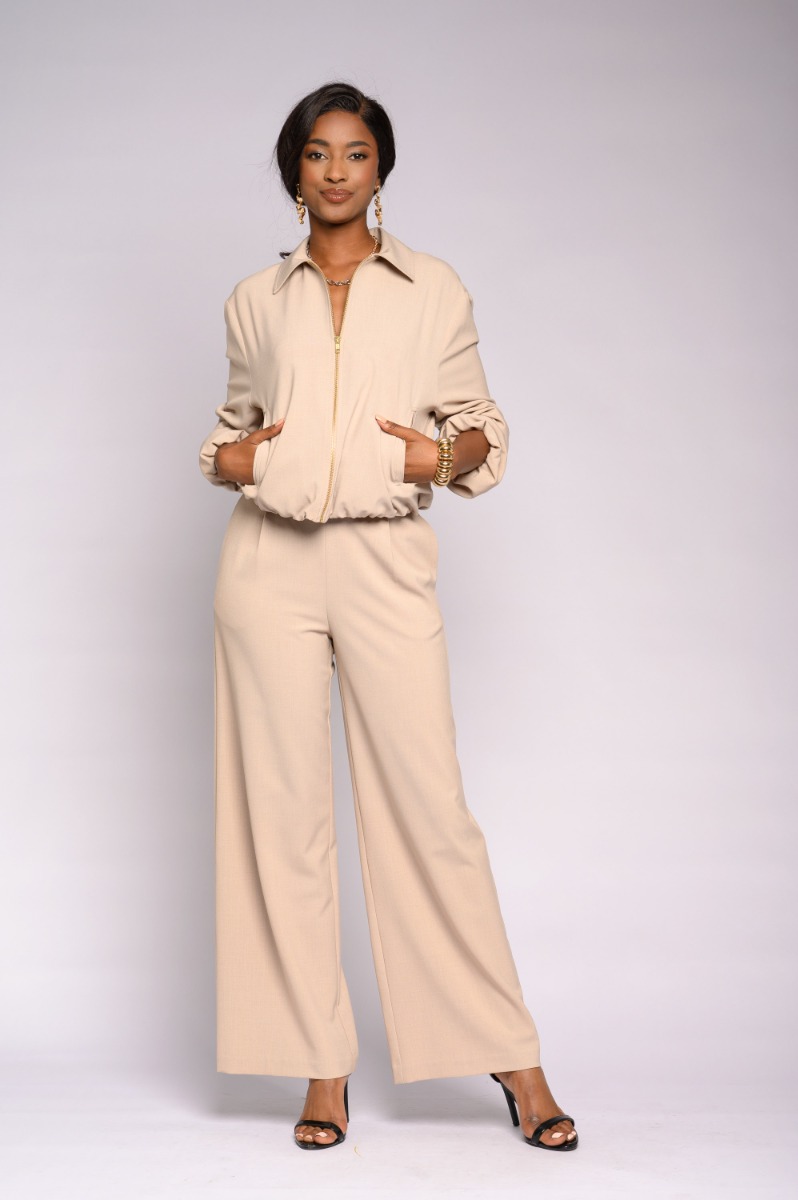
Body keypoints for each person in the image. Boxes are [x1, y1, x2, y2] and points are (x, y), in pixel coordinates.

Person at [198, 81, 579, 1153]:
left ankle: (510, 1054)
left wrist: (440, 456)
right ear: (295, 170)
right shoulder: (254, 299)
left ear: (380, 168)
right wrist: (232, 461)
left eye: (355, 153)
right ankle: (321, 1066)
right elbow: (232, 431)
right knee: (283, 819)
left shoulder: (432, 287)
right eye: (318, 153)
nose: (336, 171)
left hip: (383, 559)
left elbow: (482, 428)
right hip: (267, 567)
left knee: (429, 810)